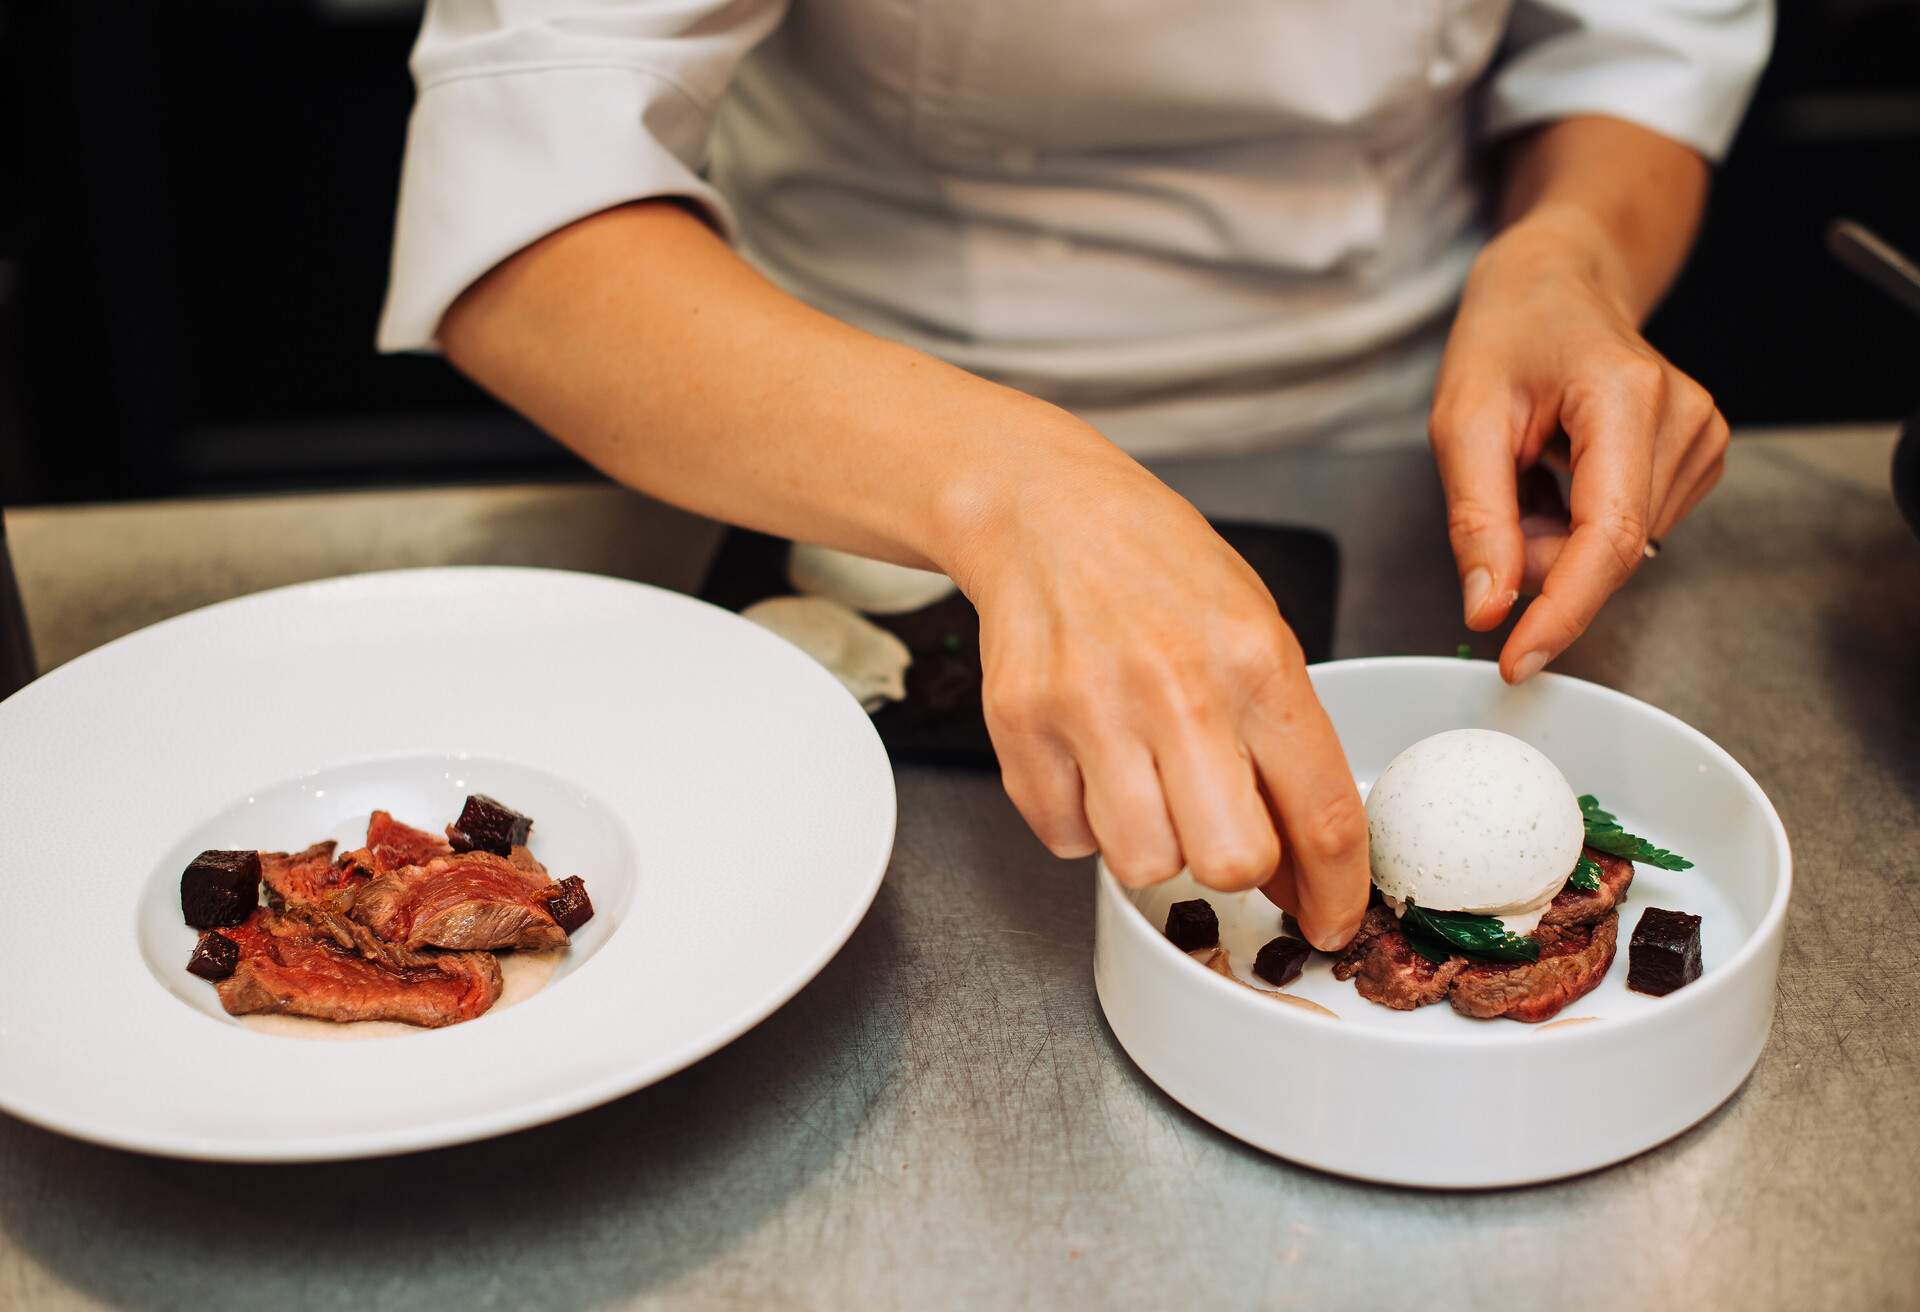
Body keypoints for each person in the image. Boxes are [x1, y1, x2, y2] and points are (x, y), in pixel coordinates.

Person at [378, 1, 1770, 951]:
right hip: (834, 397)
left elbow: (1636, 44)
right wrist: (1010, 483)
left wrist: (1570, 252)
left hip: (1391, 405)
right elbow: (527, 201)